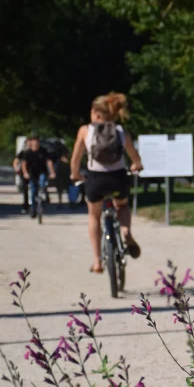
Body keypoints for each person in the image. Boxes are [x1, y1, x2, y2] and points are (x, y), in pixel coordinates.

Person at [69, 92, 143, 274]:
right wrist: (136, 165)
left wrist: (75, 174)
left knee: (94, 217)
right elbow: (135, 158)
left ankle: (97, 262)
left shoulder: (85, 130)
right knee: (122, 206)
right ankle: (126, 232)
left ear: (96, 113)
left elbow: (76, 158)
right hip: (118, 178)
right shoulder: (121, 131)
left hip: (95, 179)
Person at [21, 134, 56, 218]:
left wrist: (52, 172)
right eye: (34, 141)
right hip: (32, 174)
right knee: (33, 192)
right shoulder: (27, 153)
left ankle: (43, 197)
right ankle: (33, 209)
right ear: (31, 143)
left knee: (42, 184)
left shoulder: (43, 151)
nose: (35, 143)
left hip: (42, 172)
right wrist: (25, 173)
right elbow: (24, 164)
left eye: (37, 141)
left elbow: (49, 161)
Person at [13, 139, 30, 214]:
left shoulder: (38, 151)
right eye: (28, 143)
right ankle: (25, 206)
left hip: (35, 173)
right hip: (24, 173)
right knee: (25, 190)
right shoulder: (23, 152)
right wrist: (16, 168)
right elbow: (16, 161)